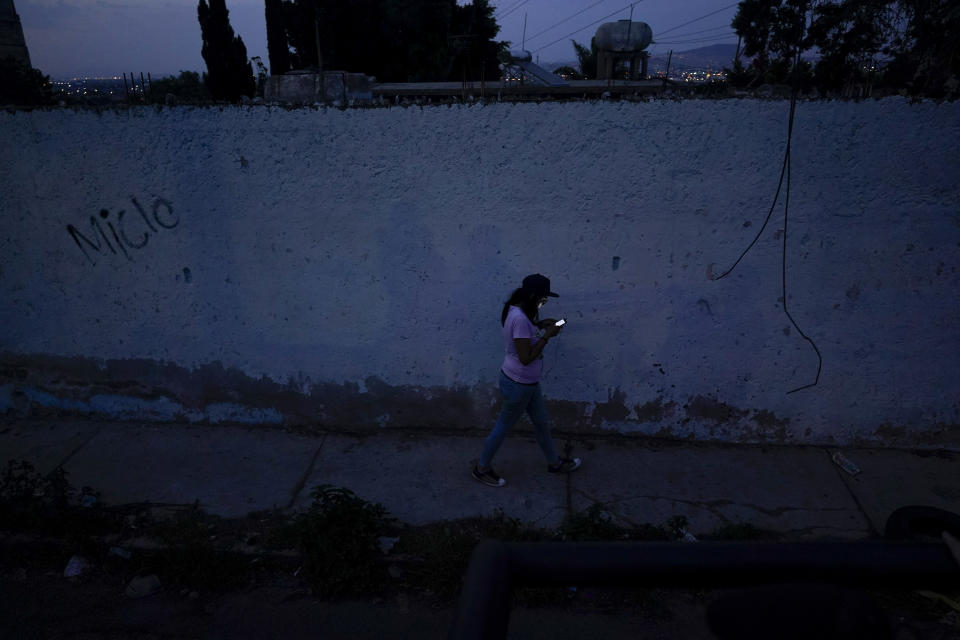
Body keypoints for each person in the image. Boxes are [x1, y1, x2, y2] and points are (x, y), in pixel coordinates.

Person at [473, 273, 582, 487]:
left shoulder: (515, 309)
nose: (544, 301)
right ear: (532, 295)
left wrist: (540, 325)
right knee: (503, 426)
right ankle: (481, 468)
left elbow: (521, 337)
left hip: (524, 383)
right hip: (519, 384)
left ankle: (554, 463)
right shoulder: (521, 318)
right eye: (543, 298)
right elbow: (525, 358)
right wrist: (546, 336)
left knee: (541, 423)